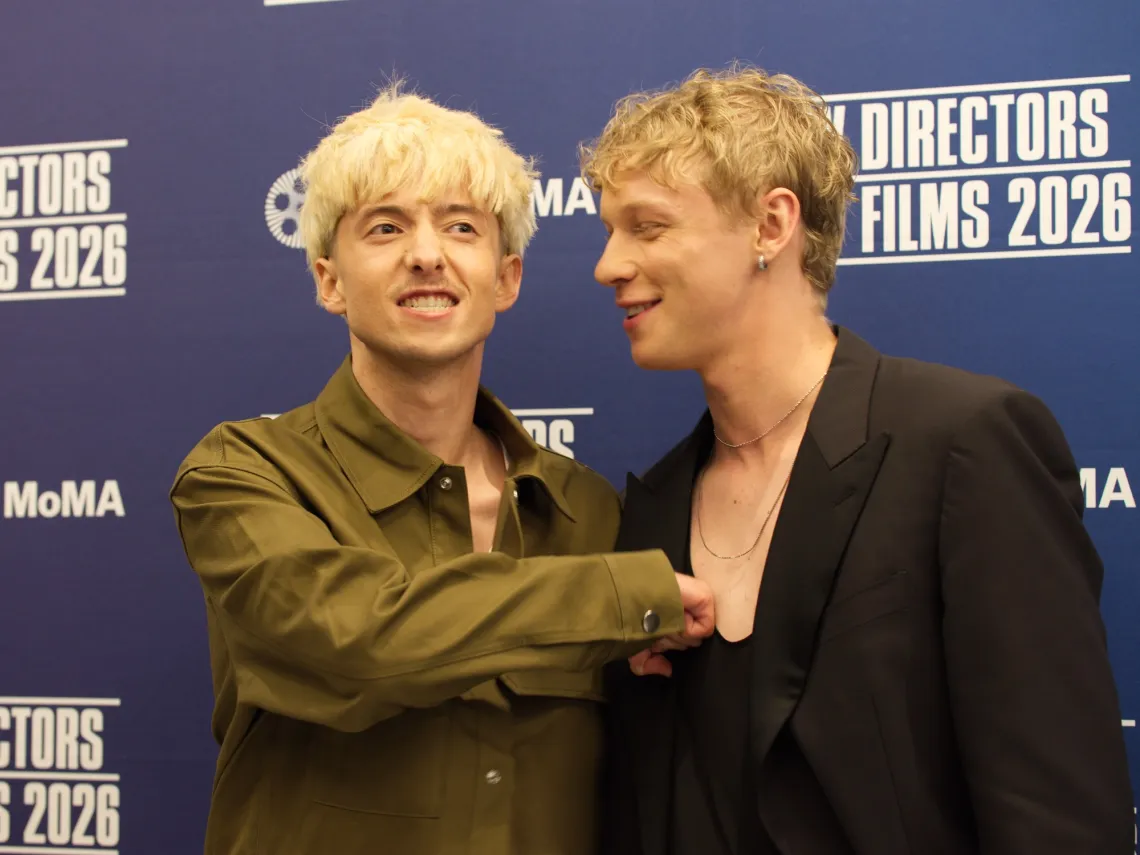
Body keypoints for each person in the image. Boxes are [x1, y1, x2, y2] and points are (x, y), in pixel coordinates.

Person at [581, 65, 1134, 854]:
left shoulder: (963, 443)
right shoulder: (653, 508)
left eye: (647, 226)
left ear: (771, 225)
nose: (608, 264)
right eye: (609, 230)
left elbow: (1058, 816)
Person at [169, 83, 714, 855]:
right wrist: (617, 599)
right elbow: (359, 639)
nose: (427, 253)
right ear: (329, 279)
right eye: (385, 227)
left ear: (506, 278)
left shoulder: (585, 511)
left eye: (462, 226)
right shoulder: (245, 474)